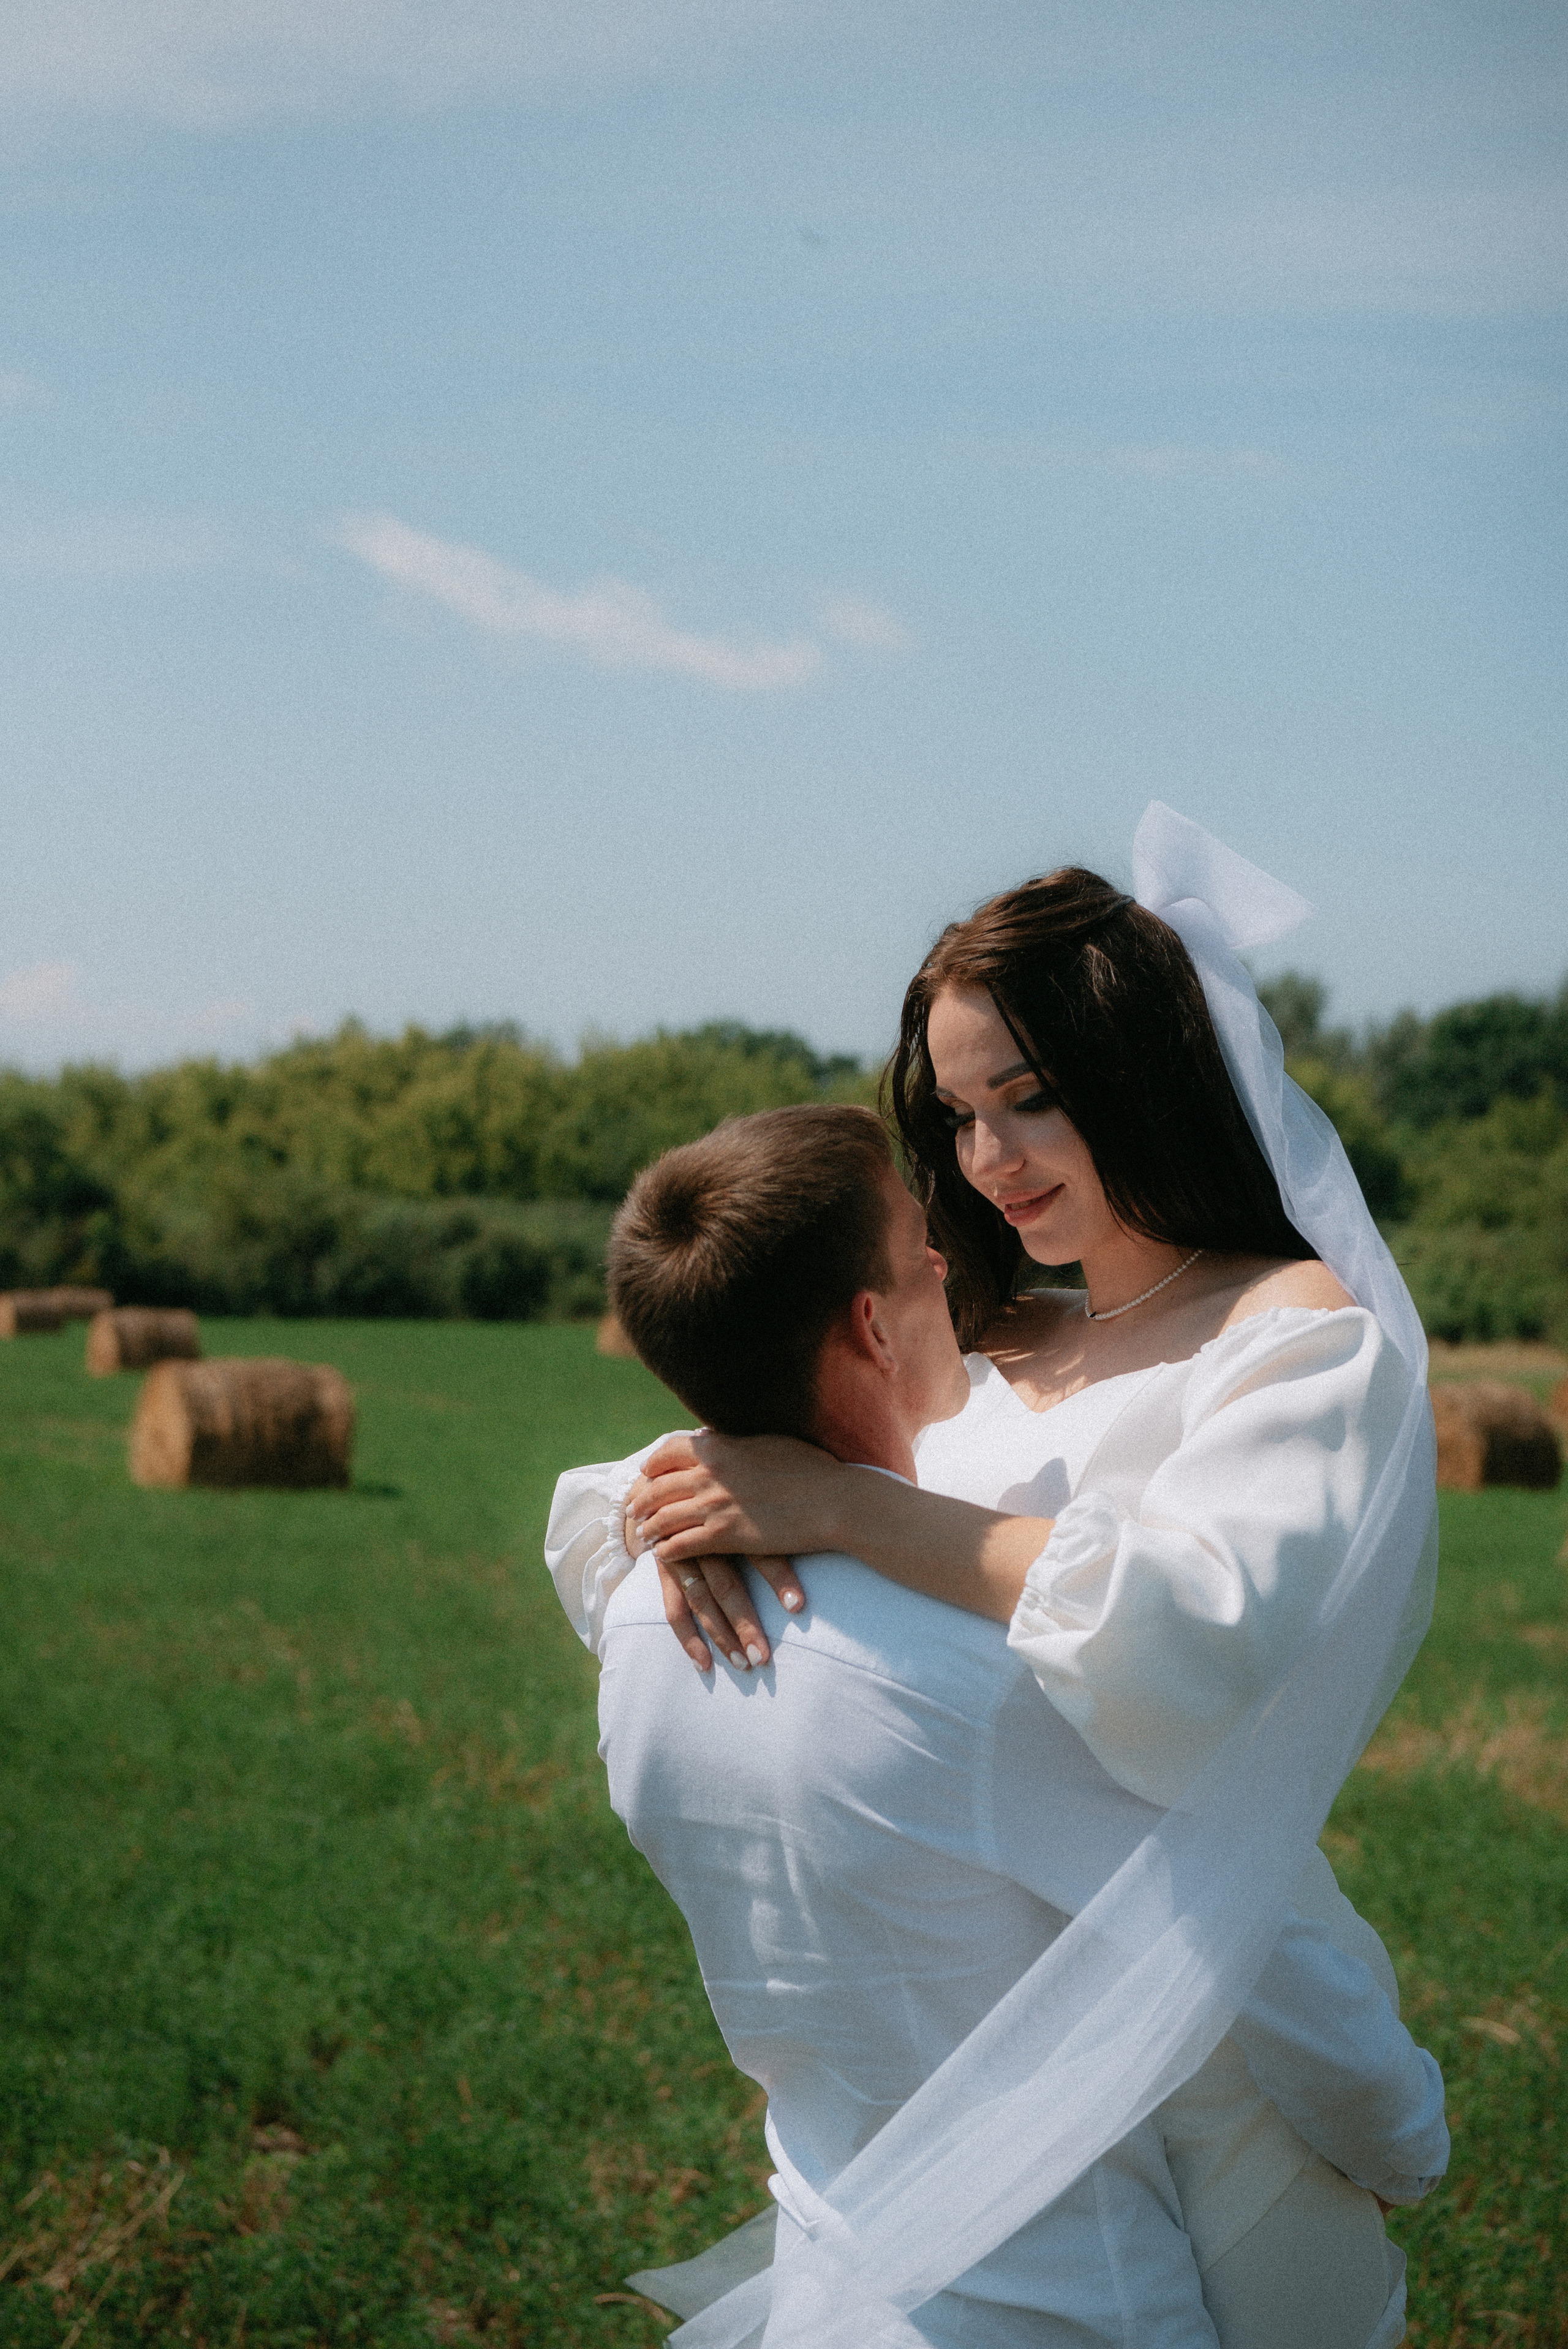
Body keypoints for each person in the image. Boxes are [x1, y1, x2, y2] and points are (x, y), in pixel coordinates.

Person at [551, 809, 1442, 2349]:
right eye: (958, 1115)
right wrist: (688, 1512)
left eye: (1026, 1102)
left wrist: (845, 1509)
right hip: (967, 2016)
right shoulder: (992, 1328)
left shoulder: (1291, 1336)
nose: (984, 1160)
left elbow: (1186, 1632)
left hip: (1204, 2022)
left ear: (1142, 1076)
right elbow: (650, 1501)